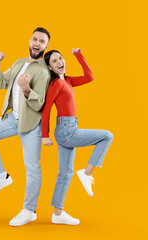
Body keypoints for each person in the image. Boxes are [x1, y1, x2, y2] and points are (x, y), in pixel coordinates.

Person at [0, 27, 51, 226]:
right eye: (34, 39)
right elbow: (1, 83)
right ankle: (1, 176)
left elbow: (40, 104)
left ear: (46, 46)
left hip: (31, 125)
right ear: (30, 41)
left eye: (41, 41)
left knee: (32, 169)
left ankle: (29, 210)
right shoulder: (20, 63)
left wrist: (27, 89)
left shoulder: (43, 71)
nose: (37, 43)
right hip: (12, 119)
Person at [41, 48, 114, 225]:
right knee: (106, 136)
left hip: (70, 127)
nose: (59, 62)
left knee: (65, 173)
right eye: (54, 62)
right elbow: (47, 109)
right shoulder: (56, 84)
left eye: (60, 58)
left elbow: (89, 77)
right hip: (67, 131)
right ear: (50, 68)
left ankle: (57, 213)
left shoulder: (67, 81)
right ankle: (87, 172)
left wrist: (78, 55)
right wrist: (45, 135)